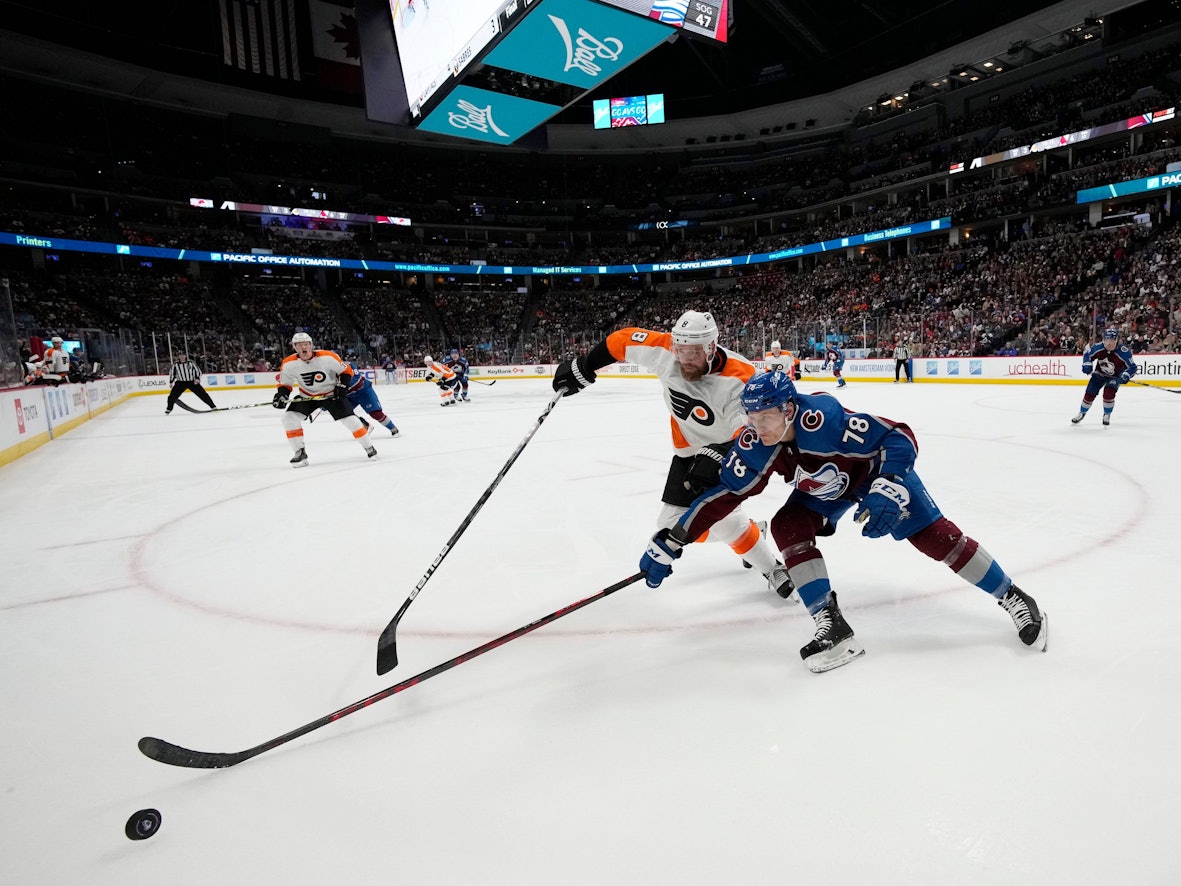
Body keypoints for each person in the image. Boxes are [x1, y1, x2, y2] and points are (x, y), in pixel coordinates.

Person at [638, 371, 1047, 673]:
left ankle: (1015, 598)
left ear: (789, 409)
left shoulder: (826, 419)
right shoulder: (757, 441)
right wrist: (674, 538)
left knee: (936, 538)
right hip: (825, 487)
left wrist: (889, 484)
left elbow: (899, 437)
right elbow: (726, 496)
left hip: (874, 478)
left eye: (763, 416)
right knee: (787, 525)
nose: (754, 425)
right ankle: (831, 625)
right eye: (751, 415)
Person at [553, 310, 793, 599]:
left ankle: (771, 567)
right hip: (687, 451)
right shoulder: (666, 351)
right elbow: (621, 340)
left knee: (718, 518)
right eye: (680, 350)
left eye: (692, 353)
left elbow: (752, 436)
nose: (683, 359)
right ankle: (751, 532)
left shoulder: (739, 379)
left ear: (711, 348)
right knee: (671, 523)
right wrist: (586, 365)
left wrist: (719, 454)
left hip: (732, 454)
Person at [273, 332, 376, 467]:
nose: (303, 347)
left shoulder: (328, 357)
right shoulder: (288, 363)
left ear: (311, 345)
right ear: (295, 347)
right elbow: (285, 384)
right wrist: (282, 395)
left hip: (330, 394)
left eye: (305, 344)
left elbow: (346, 371)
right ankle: (299, 452)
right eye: (299, 345)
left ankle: (369, 447)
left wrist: (342, 386)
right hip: (307, 396)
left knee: (351, 420)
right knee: (288, 418)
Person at [1072, 328, 1137, 427]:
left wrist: (1126, 375)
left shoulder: (1124, 352)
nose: (1109, 343)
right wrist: (1087, 364)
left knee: (1109, 394)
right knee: (1090, 393)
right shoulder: (1099, 347)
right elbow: (1087, 353)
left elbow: (1132, 367)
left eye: (1112, 340)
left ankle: (1107, 414)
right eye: (1107, 340)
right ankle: (1081, 413)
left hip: (1115, 377)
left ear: (1117, 340)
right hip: (1099, 374)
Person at [344, 363, 400, 436]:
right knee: (343, 412)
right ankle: (364, 425)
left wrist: (341, 389)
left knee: (376, 413)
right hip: (348, 395)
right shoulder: (327, 375)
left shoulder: (348, 365)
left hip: (363, 390)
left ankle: (393, 428)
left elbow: (357, 380)